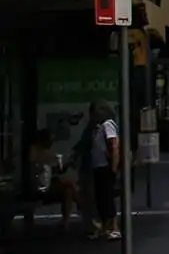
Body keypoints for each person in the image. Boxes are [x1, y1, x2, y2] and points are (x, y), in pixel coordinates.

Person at [75, 102, 121, 240]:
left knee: (107, 197)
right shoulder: (96, 128)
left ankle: (113, 226)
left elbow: (114, 145)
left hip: (105, 166)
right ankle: (105, 226)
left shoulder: (107, 125)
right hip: (98, 166)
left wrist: (113, 167)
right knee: (101, 198)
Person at [20, 128, 79, 231]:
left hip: (45, 185)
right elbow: (38, 161)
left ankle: (66, 221)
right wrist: (54, 159)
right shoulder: (35, 150)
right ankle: (85, 209)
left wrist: (66, 164)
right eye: (50, 140)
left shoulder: (46, 153)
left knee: (68, 187)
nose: (52, 143)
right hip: (36, 188)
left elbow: (57, 170)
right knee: (69, 185)